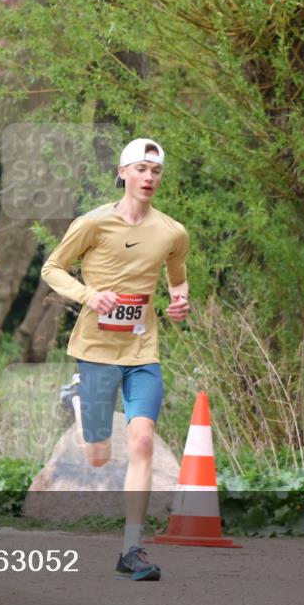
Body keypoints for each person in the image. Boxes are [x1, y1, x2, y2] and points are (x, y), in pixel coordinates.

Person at [41, 138, 190, 581]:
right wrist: (90, 295)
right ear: (123, 173)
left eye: (156, 171)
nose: (149, 178)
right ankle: (80, 400)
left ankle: (131, 549)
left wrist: (180, 304)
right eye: (141, 169)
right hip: (96, 349)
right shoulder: (93, 224)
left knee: (142, 440)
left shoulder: (172, 232)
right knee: (101, 456)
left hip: (143, 350)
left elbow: (178, 283)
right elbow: (52, 268)